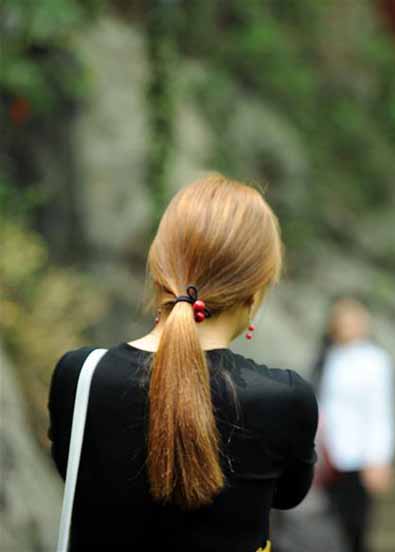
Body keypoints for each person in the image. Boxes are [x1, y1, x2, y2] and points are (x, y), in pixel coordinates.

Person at [47, 175, 318, 552]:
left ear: (159, 270)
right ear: (256, 291)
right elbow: (288, 494)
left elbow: (74, 474)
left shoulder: (81, 378)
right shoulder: (284, 399)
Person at [313, 297, 395, 552]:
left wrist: (379, 457)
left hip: (359, 456)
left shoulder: (375, 360)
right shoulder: (327, 359)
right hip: (328, 457)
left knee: (356, 528)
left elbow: (380, 411)